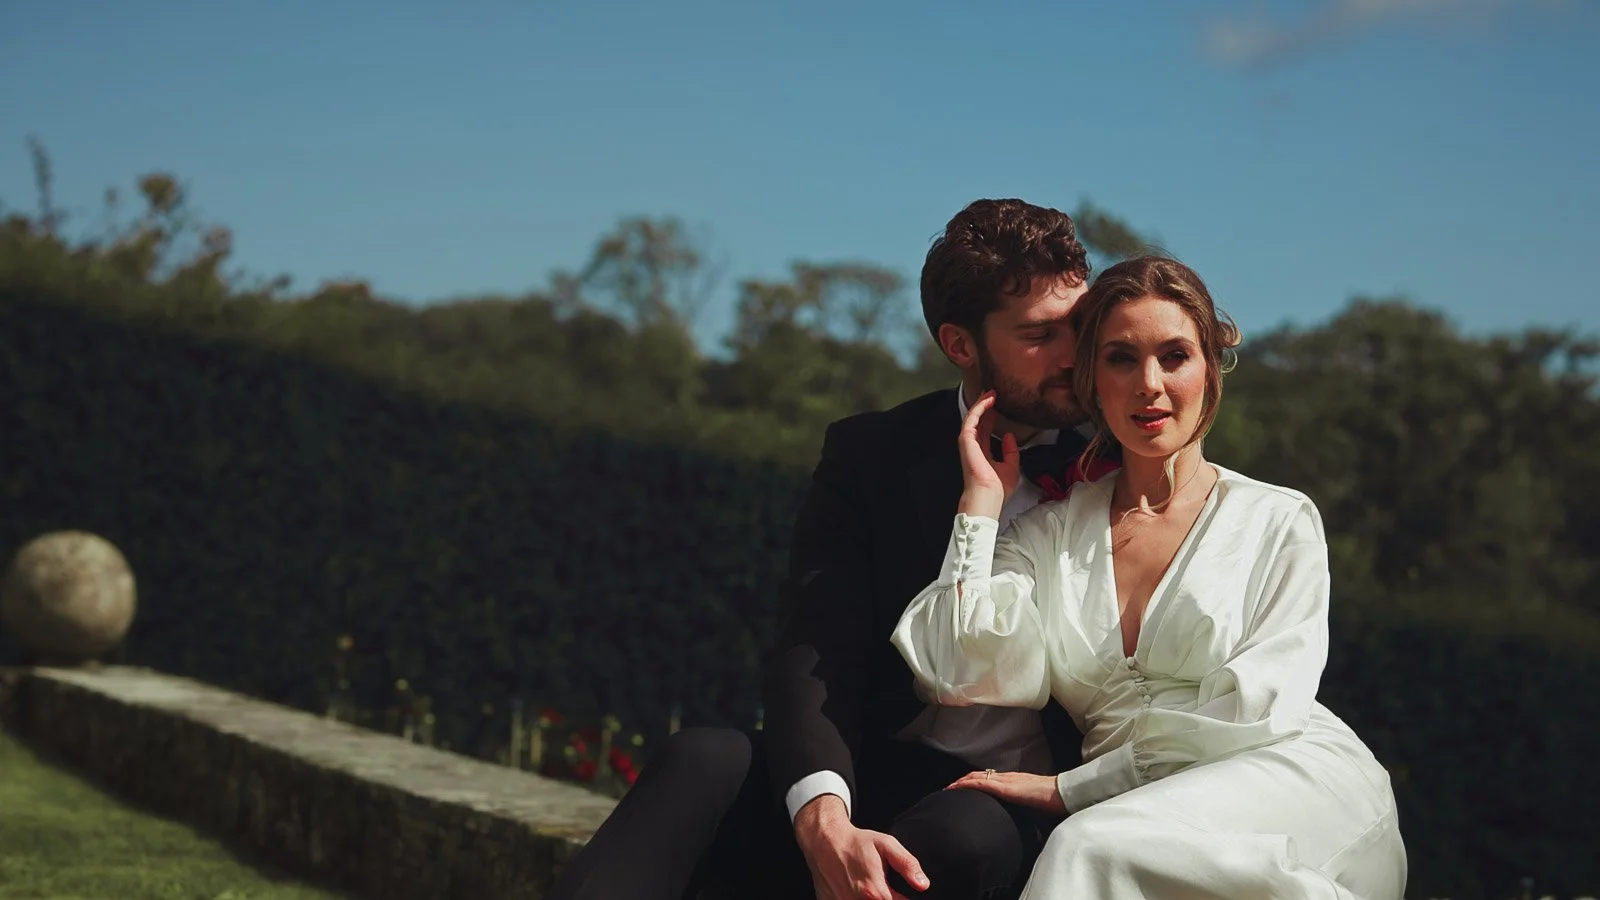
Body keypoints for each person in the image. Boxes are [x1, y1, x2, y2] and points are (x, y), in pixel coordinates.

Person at [545, 198, 1115, 900]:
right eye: (1039, 336)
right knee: (702, 758)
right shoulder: (872, 453)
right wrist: (823, 815)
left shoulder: (1128, 466)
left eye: (1080, 327)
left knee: (958, 837)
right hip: (878, 765)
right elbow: (815, 648)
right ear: (961, 345)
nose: (1072, 356)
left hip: (1021, 802)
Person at [890, 255, 1408, 899]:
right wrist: (982, 506)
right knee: (1103, 841)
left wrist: (1072, 789)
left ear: (1211, 366)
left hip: (1284, 776)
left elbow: (1255, 708)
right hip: (1133, 816)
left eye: (1174, 355)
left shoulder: (1278, 520)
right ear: (1092, 379)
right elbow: (956, 667)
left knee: (1085, 845)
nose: (1149, 384)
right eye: (1120, 359)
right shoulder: (1048, 535)